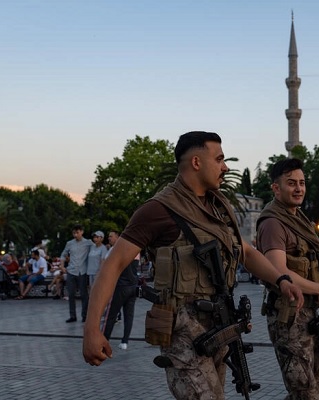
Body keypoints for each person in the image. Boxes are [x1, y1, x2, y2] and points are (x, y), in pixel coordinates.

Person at [82, 131, 303, 399]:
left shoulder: (219, 206)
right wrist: (92, 330)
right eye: (219, 159)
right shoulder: (159, 210)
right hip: (182, 333)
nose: (225, 167)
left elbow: (245, 251)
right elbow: (113, 265)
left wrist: (280, 280)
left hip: (219, 327)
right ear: (196, 162)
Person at [256, 158, 319, 399]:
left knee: (316, 386)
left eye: (302, 183)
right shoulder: (273, 224)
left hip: (310, 314)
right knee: (303, 390)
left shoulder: (300, 219)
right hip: (290, 316)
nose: (298, 188)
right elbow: (279, 270)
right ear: (276, 188)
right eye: (291, 183)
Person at [101, 230, 138, 350]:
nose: (109, 238)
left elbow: (110, 268)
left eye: (111, 236)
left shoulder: (118, 249)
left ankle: (104, 341)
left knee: (110, 315)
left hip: (120, 286)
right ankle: (125, 341)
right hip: (133, 286)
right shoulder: (136, 249)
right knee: (129, 315)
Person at [59, 224, 93, 323]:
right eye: (74, 233)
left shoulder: (88, 243)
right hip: (71, 271)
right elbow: (63, 254)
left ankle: (85, 315)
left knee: (84, 294)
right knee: (71, 294)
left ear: (82, 232)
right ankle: (72, 315)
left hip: (82, 271)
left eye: (77, 232)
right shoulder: (69, 243)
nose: (75, 235)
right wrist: (62, 266)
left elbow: (96, 249)